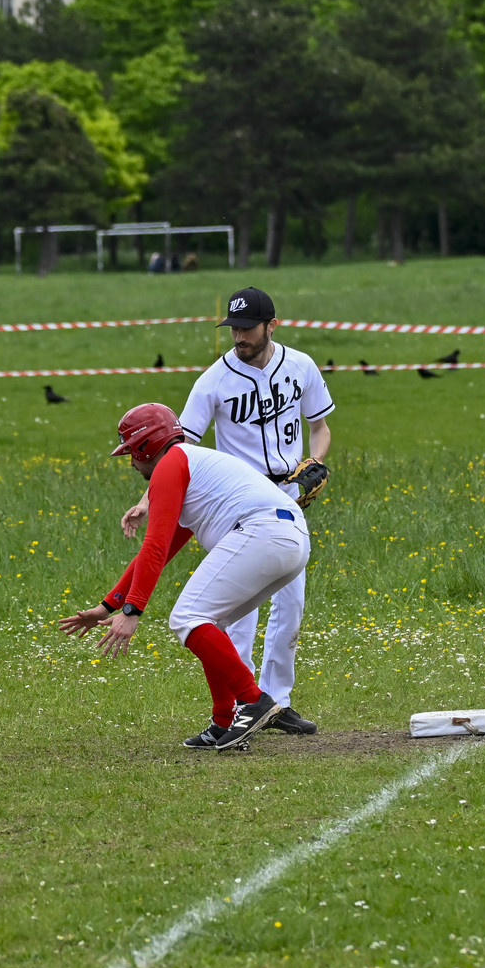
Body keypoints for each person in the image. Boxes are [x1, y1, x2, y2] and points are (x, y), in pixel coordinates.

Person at [120, 287, 333, 736]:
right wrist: (147, 502)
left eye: (246, 327)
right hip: (235, 504)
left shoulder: (300, 366)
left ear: (271, 325)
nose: (238, 335)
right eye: (233, 328)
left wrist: (315, 462)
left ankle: (275, 702)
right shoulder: (213, 380)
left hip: (284, 497)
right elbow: (177, 451)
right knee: (233, 617)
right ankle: (246, 703)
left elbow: (321, 427)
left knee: (289, 610)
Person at [65, 403, 310, 752]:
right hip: (291, 539)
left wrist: (132, 612)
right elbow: (160, 553)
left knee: (188, 617)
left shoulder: (171, 465)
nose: (132, 462)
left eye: (132, 452)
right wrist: (107, 607)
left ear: (147, 445)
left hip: (264, 533)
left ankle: (254, 702)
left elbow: (153, 545)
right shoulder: (191, 464)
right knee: (211, 621)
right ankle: (225, 720)